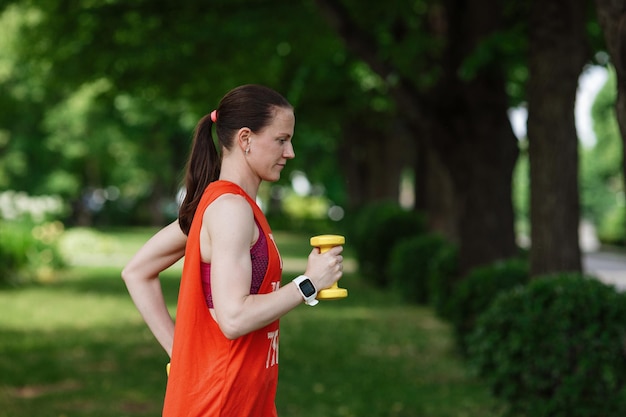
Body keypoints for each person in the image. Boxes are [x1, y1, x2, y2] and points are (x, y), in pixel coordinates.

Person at [121, 84, 344, 417]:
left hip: (241, 400)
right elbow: (234, 318)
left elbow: (136, 271)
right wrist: (308, 284)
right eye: (281, 140)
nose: (290, 152)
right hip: (220, 405)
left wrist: (184, 356)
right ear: (245, 139)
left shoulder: (223, 206)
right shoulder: (230, 210)